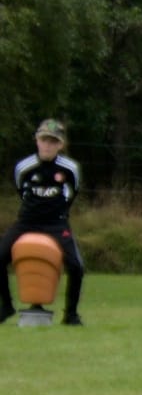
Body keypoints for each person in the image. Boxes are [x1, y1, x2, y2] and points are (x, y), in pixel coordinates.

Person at [2, 119, 85, 326]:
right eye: (43, 140)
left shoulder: (70, 168)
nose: (47, 145)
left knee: (76, 266)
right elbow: (22, 191)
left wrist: (56, 214)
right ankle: (6, 306)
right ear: (36, 141)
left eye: (52, 141)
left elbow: (72, 193)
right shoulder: (24, 167)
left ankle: (71, 315)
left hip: (56, 223)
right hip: (26, 222)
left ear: (60, 145)